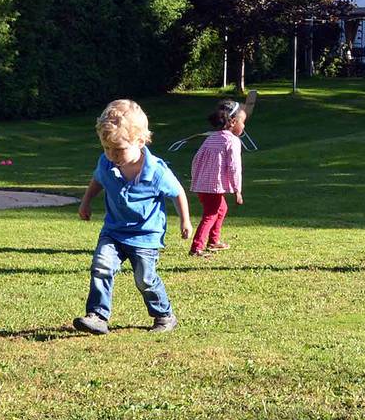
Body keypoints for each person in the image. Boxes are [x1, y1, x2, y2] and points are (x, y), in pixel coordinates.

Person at [74, 99, 192, 335]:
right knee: (101, 267)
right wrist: (86, 202)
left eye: (118, 150)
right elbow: (98, 180)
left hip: (145, 236)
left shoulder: (157, 171)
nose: (111, 155)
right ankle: (97, 315)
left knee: (145, 280)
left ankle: (164, 315)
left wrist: (185, 220)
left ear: (140, 141)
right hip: (114, 231)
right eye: (106, 148)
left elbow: (177, 192)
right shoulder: (106, 163)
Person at [189, 99, 246, 257]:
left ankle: (213, 241)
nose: (244, 126)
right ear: (233, 122)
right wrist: (237, 190)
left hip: (203, 184)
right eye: (243, 122)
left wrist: (196, 179)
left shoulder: (211, 138)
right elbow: (234, 167)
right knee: (211, 214)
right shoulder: (232, 141)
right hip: (213, 186)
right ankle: (196, 247)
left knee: (221, 209)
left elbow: (196, 159)